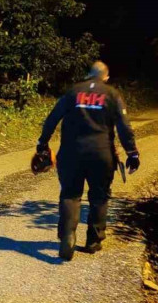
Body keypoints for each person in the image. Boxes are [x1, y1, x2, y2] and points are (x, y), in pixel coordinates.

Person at [36, 61, 140, 261]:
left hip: (71, 153)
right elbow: (124, 127)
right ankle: (94, 241)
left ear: (88, 75)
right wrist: (132, 153)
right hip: (101, 154)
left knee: (70, 194)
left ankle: (67, 235)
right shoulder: (112, 94)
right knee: (99, 197)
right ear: (106, 77)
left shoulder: (73, 92)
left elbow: (52, 118)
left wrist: (43, 143)